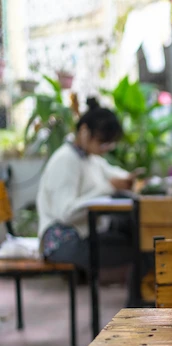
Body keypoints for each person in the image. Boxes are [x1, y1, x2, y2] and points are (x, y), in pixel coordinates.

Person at [37, 98, 136, 272]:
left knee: (139, 239)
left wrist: (129, 179)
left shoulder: (90, 159)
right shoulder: (66, 160)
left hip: (82, 235)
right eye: (102, 142)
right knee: (140, 247)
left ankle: (138, 297)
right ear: (84, 131)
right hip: (62, 242)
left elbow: (114, 173)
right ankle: (137, 298)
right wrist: (110, 187)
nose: (105, 148)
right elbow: (65, 213)